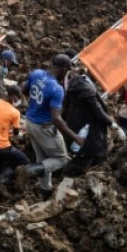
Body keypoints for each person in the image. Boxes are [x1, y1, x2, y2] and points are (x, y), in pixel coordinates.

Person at [16, 54, 81, 200]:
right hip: (44, 127)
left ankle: (45, 192)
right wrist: (75, 136)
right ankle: (28, 171)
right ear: (63, 69)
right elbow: (56, 118)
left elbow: (24, 89)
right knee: (61, 158)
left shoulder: (36, 73)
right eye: (67, 70)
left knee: (44, 160)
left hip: (30, 122)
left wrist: (36, 103)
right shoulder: (57, 89)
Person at [62, 70, 125, 175]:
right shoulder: (87, 89)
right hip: (86, 130)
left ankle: (69, 178)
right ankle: (67, 180)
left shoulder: (74, 82)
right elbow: (98, 112)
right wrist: (115, 127)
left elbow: (65, 107)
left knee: (81, 155)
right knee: (85, 157)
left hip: (75, 126)